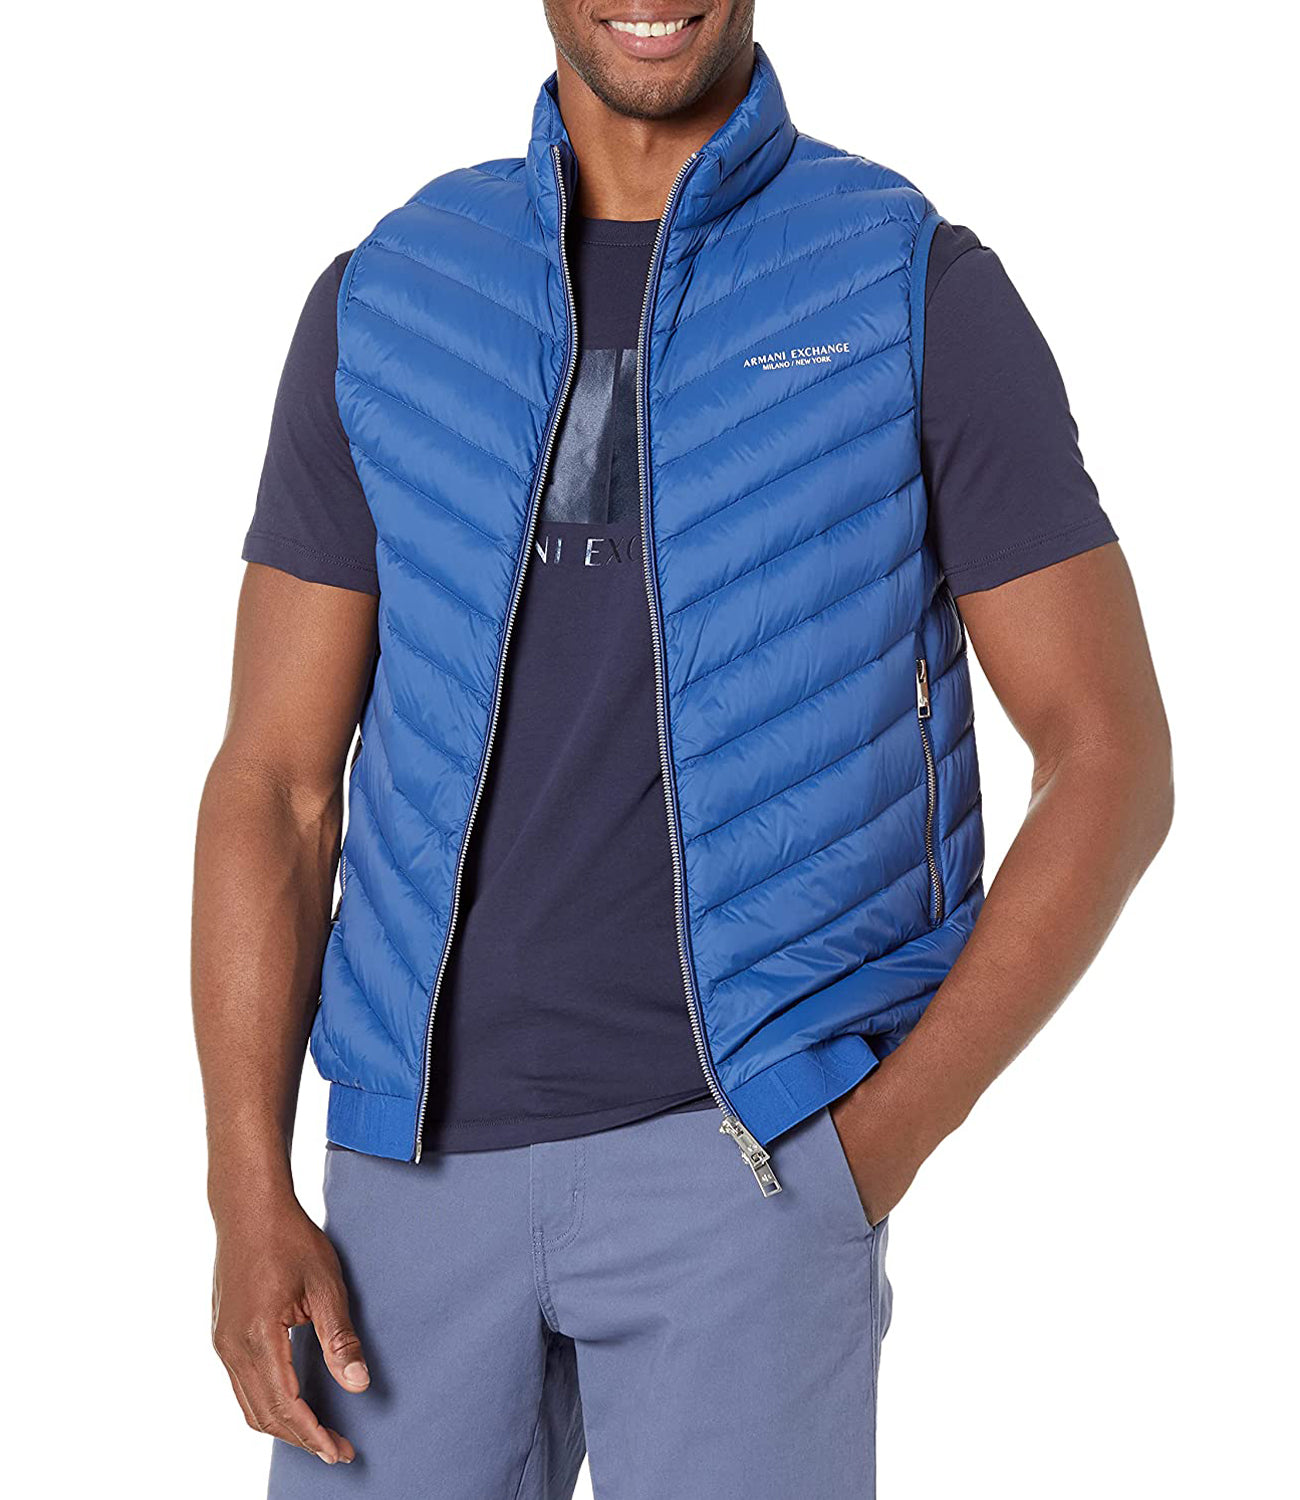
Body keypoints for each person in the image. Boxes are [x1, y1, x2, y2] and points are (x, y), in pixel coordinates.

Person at [193, 4, 1173, 1494]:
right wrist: (244, 1190)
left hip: (749, 1171)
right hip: (402, 1191)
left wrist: (872, 1151)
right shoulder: (388, 296)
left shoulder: (906, 282)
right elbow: (275, 785)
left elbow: (1110, 756)